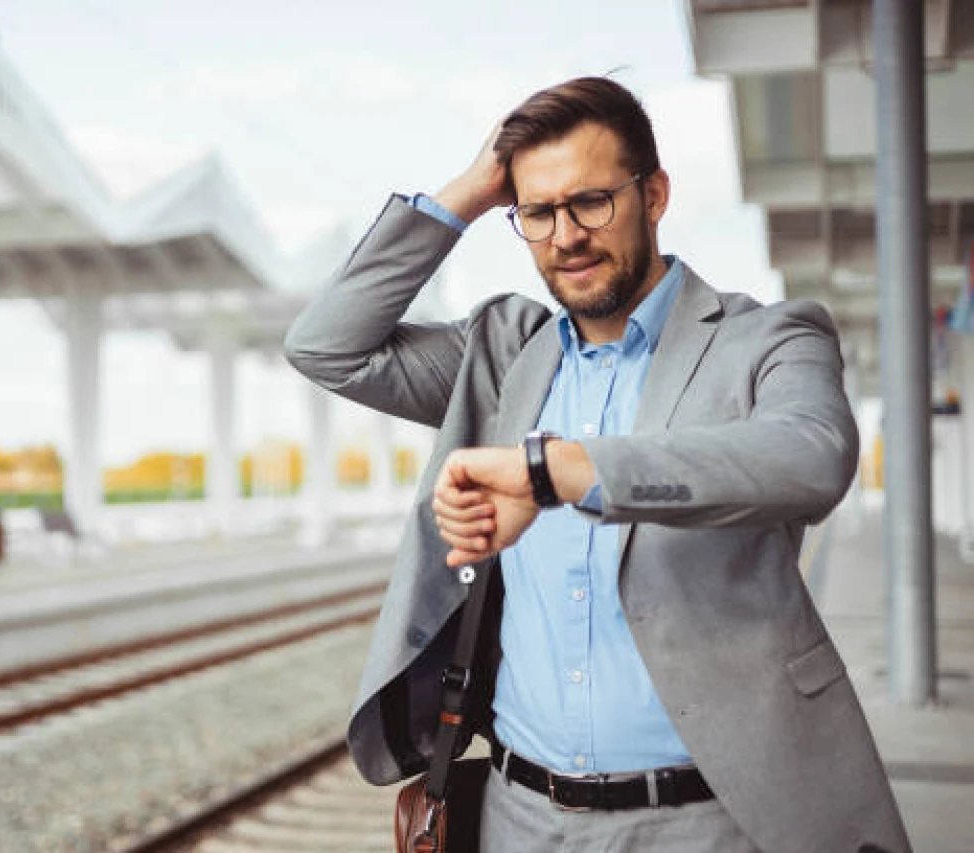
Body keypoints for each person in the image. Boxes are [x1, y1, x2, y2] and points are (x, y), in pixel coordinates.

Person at [284, 77, 910, 853]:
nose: (566, 235)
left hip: (713, 819)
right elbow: (325, 345)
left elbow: (812, 455)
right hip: (522, 817)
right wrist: (470, 194)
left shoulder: (766, 340)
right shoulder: (505, 354)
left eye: (591, 201)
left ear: (654, 194)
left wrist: (560, 471)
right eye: (538, 212)